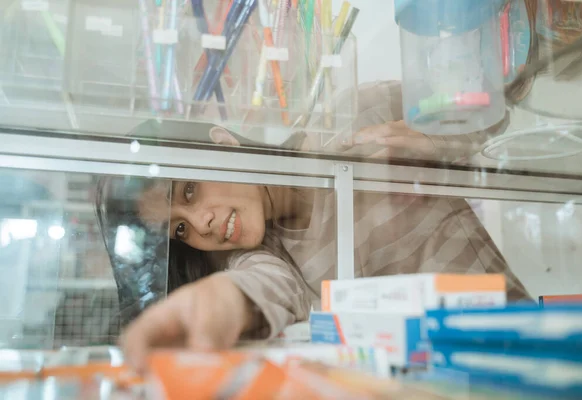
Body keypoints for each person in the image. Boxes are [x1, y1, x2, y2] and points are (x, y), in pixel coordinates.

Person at [97, 81, 530, 371]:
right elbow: (258, 287)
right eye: (180, 231)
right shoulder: (262, 258)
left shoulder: (355, 113)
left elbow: (492, 109)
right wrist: (220, 299)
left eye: (189, 192)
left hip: (530, 343)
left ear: (223, 142)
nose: (201, 224)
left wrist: (439, 137)